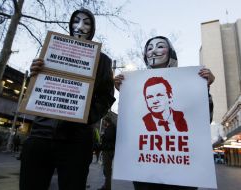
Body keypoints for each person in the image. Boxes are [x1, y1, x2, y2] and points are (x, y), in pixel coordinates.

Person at [20, 8, 116, 190]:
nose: (80, 26)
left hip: (76, 141)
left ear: (92, 28)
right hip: (40, 135)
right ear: (70, 25)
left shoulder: (103, 60)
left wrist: (84, 116)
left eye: (86, 22)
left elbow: (106, 96)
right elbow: (39, 86)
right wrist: (35, 73)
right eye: (76, 21)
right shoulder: (52, 48)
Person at [114, 36, 214, 190]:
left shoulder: (189, 84)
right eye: (149, 48)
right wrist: (125, 93)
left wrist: (203, 89)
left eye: (160, 46)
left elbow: (203, 121)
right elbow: (127, 127)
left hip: (181, 176)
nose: (154, 51)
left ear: (170, 96)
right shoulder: (135, 91)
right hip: (146, 175)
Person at [98, 116, 117, 190]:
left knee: (107, 170)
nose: (103, 123)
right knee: (106, 170)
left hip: (108, 151)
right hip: (108, 150)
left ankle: (107, 187)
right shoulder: (111, 127)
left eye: (104, 121)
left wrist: (103, 136)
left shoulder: (111, 128)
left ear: (106, 121)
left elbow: (109, 137)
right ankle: (106, 186)